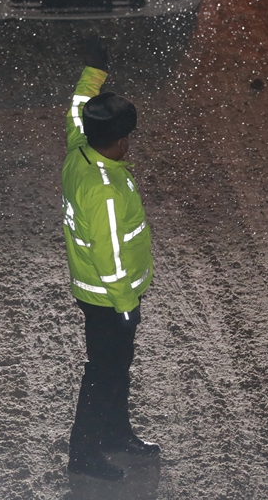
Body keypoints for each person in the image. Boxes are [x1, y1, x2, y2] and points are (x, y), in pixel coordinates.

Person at [62, 37, 161, 481]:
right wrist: (126, 306)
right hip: (108, 299)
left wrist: (93, 72)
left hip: (105, 295)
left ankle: (117, 433)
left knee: (116, 369)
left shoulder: (79, 148)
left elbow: (77, 109)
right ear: (118, 140)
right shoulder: (103, 188)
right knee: (102, 375)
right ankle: (84, 452)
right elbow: (111, 255)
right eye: (127, 139)